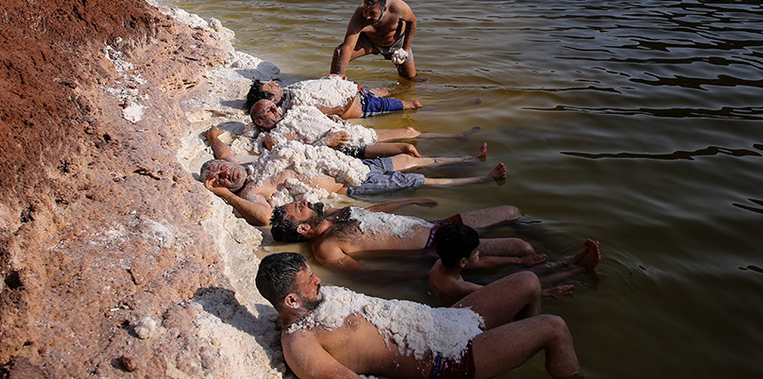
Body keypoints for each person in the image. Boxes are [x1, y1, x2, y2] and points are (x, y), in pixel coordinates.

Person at [255, 252, 582, 379]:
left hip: (447, 321)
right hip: (448, 361)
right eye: (310, 282)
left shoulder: (317, 299)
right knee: (553, 327)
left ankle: (514, 345)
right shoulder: (301, 344)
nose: (320, 280)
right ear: (290, 300)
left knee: (528, 282)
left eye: (314, 274)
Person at [202, 126, 507, 226]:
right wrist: (226, 194)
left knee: (405, 158)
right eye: (220, 177)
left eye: (221, 167)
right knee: (419, 181)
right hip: (354, 183)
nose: (225, 172)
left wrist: (213, 134)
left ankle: (467, 160)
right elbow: (265, 218)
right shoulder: (252, 189)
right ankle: (482, 180)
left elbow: (223, 152)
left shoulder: (247, 163)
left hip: (346, 164)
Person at [269, 199, 542, 273]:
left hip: (436, 225)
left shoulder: (333, 215)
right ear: (303, 229)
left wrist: (410, 202)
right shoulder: (326, 248)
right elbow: (365, 274)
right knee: (521, 248)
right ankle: (552, 269)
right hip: (438, 246)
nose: (304, 201)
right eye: (299, 208)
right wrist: (418, 274)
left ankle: (552, 244)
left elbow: (372, 212)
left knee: (511, 211)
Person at [250, 99, 481, 160]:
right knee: (406, 148)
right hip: (346, 147)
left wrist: (334, 120)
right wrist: (327, 142)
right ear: (259, 121)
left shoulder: (295, 112)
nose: (275, 111)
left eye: (273, 107)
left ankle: (458, 136)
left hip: (353, 132)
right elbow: (297, 154)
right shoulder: (274, 137)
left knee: (409, 129)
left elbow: (322, 117)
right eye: (268, 112)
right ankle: (459, 161)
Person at [430, 223, 602, 305]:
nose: (479, 253)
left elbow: (481, 263)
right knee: (522, 282)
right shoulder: (456, 287)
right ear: (462, 261)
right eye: (476, 252)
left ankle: (569, 261)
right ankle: (579, 269)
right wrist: (548, 292)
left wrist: (519, 260)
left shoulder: (442, 262)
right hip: (475, 297)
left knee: (513, 275)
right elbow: (505, 294)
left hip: (475, 285)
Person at [330, 0, 417, 80]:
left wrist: (405, 49)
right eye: (365, 10)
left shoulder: (397, 7)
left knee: (410, 79)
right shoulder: (359, 17)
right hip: (370, 43)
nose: (367, 16)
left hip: (397, 43)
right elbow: (348, 46)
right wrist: (341, 74)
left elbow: (412, 21)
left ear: (384, 10)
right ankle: (334, 83)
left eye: (372, 13)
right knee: (339, 53)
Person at [246, 76, 421, 120]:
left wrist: (345, 82)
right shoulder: (297, 106)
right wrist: (351, 93)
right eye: (269, 86)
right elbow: (336, 112)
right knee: (412, 104)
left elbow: (320, 85)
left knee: (386, 89)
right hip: (364, 105)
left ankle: (417, 85)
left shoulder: (291, 89)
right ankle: (442, 109)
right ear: (272, 99)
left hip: (356, 92)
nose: (273, 83)